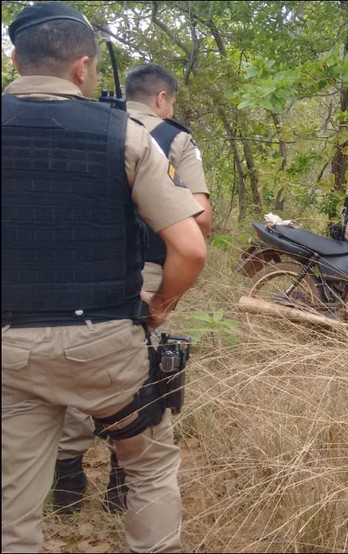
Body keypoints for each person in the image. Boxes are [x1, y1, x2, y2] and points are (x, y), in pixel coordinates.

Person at [1, 3, 207, 552]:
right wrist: (160, 306)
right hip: (107, 344)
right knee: (149, 469)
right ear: (83, 68)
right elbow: (190, 245)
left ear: (16, 58)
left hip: (8, 349)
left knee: (10, 509)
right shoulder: (125, 134)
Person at [51, 62, 213, 516]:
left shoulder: (85, 121)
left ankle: (67, 475)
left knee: (75, 358)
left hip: (71, 269)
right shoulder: (173, 138)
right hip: (142, 269)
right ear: (162, 99)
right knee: (136, 371)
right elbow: (199, 219)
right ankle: (123, 483)